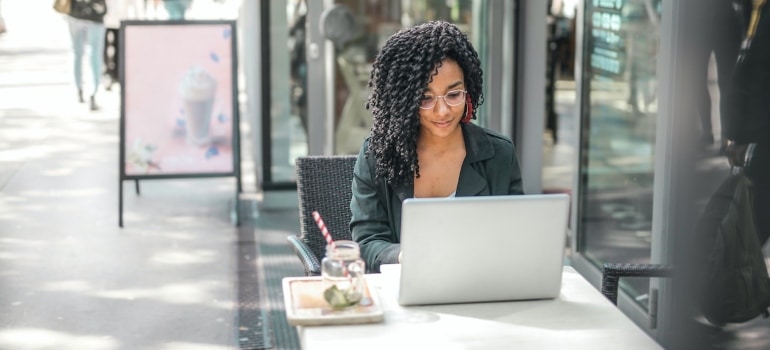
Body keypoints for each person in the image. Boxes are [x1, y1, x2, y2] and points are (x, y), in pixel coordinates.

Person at [350, 21, 524, 273]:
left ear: (469, 91)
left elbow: (516, 239)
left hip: (481, 287)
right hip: (403, 291)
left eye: (453, 95)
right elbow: (366, 243)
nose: (442, 111)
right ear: (405, 100)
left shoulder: (499, 155)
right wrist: (403, 255)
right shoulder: (377, 155)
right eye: (425, 98)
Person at [65, 0, 108, 111]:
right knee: (94, 55)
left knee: (78, 53)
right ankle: (92, 92)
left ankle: (79, 88)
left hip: (76, 13)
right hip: (95, 13)